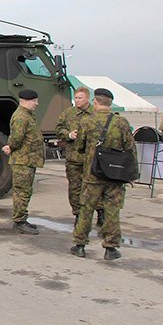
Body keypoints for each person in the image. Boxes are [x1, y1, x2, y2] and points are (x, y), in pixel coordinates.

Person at [70, 88, 136, 260]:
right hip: (114, 174)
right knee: (112, 210)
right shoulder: (121, 122)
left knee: (86, 209)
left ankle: (80, 245)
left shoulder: (86, 121)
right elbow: (130, 149)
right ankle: (111, 248)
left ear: (95, 102)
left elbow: (79, 146)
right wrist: (131, 174)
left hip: (92, 174)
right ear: (110, 103)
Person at [55, 86, 104, 226]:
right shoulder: (68, 114)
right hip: (74, 157)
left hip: (93, 158)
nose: (77, 100)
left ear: (87, 98)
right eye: (75, 98)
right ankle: (78, 215)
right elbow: (58, 129)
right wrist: (68, 134)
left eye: (80, 98)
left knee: (96, 187)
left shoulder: (96, 113)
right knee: (75, 188)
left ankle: (101, 212)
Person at [2, 89, 44, 235]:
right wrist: (11, 146)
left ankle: (22, 219)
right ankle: (19, 221)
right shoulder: (21, 117)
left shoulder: (28, 115)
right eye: (34, 101)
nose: (37, 103)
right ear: (25, 101)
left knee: (25, 191)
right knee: (22, 192)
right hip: (23, 160)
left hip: (28, 159)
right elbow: (16, 138)